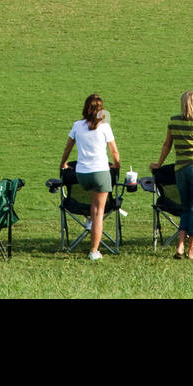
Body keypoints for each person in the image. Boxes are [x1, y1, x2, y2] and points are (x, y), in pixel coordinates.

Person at [58, 94, 120, 261]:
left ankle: (88, 221)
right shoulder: (105, 127)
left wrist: (63, 164)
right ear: (101, 110)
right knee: (99, 212)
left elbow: (68, 148)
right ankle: (94, 250)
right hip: (100, 173)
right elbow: (114, 152)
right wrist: (117, 165)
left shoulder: (77, 126)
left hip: (82, 175)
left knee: (90, 203)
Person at [150, 90, 193, 259]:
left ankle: (180, 246)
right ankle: (192, 250)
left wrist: (159, 164)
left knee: (185, 207)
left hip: (180, 169)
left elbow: (166, 145)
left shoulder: (174, 121)